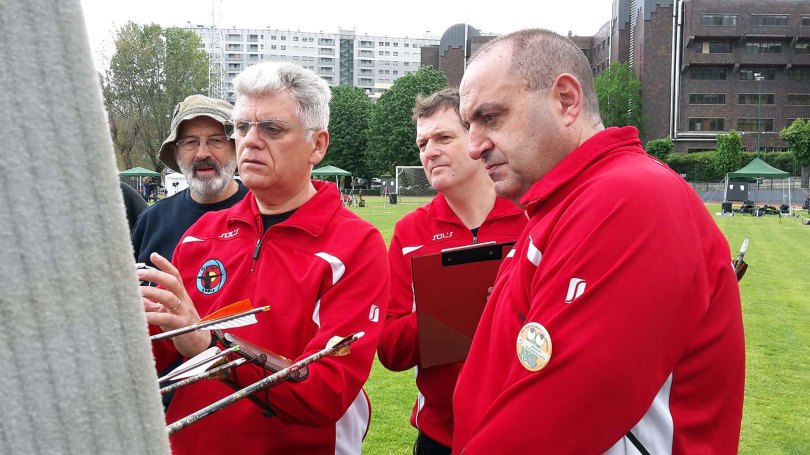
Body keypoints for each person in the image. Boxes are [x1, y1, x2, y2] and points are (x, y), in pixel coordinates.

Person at [452, 29, 745, 454]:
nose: (474, 147)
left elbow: (555, 422)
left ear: (566, 100)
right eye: (469, 125)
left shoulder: (630, 198)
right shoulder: (566, 202)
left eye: (490, 117)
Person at [139, 62, 389, 454]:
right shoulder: (201, 234)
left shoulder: (356, 245)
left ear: (317, 145)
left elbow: (326, 391)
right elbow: (156, 354)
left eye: (271, 129)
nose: (250, 141)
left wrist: (210, 347)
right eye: (241, 127)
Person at [377, 88, 526, 455]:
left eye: (443, 138)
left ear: (477, 139)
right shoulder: (410, 232)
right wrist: (448, 312)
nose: (429, 151)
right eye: (422, 143)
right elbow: (390, 350)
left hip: (522, 430)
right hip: (440, 437)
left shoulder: (529, 218)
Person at [130, 94, 249, 269]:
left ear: (236, 148)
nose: (202, 154)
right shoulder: (152, 221)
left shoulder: (265, 214)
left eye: (216, 140)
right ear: (176, 154)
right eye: (190, 142)